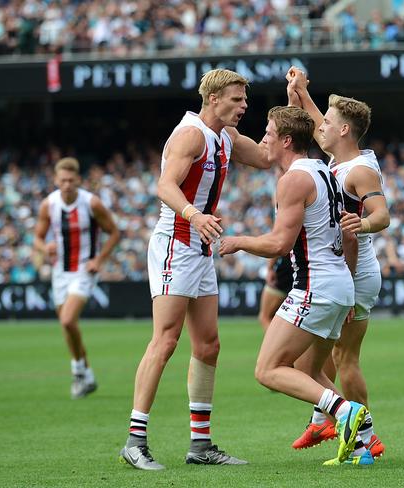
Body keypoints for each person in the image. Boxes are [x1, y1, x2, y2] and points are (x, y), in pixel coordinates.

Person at [119, 68, 271, 471]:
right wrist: (195, 214)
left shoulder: (226, 136)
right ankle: (135, 441)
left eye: (244, 100)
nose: (244, 106)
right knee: (165, 340)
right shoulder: (191, 134)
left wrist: (296, 99)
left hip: (199, 245)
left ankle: (200, 446)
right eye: (237, 99)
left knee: (208, 345)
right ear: (214, 98)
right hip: (176, 243)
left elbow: (269, 158)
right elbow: (165, 186)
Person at [219, 105, 372, 466]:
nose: (263, 141)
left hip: (314, 286)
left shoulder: (294, 180)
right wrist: (347, 289)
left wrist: (237, 240)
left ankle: (344, 412)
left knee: (268, 370)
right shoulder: (326, 171)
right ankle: (364, 446)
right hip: (337, 285)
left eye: (268, 134)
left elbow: (279, 245)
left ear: (286, 140)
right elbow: (349, 237)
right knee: (310, 372)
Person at [286, 67, 390, 459]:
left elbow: (383, 216)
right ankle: (324, 419)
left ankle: (367, 435)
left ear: (344, 130)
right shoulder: (342, 160)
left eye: (329, 123)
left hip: (356, 273)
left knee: (343, 358)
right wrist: (302, 92)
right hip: (344, 271)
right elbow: (317, 123)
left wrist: (359, 223)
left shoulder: (359, 171)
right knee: (318, 359)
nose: (321, 127)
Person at [34, 157, 120, 399]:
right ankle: (86, 374)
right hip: (60, 272)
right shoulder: (48, 205)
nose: (67, 184)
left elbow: (114, 233)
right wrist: (44, 247)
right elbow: (38, 237)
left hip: (83, 271)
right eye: (63, 180)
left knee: (67, 320)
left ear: (78, 180)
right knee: (69, 327)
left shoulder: (91, 203)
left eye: (71, 180)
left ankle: (77, 371)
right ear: (56, 180)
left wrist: (99, 260)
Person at [257, 167, 294, 331]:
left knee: (265, 316)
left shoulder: (285, 193)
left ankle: (277, 354)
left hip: (287, 260)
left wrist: (270, 267)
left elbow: (279, 237)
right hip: (307, 261)